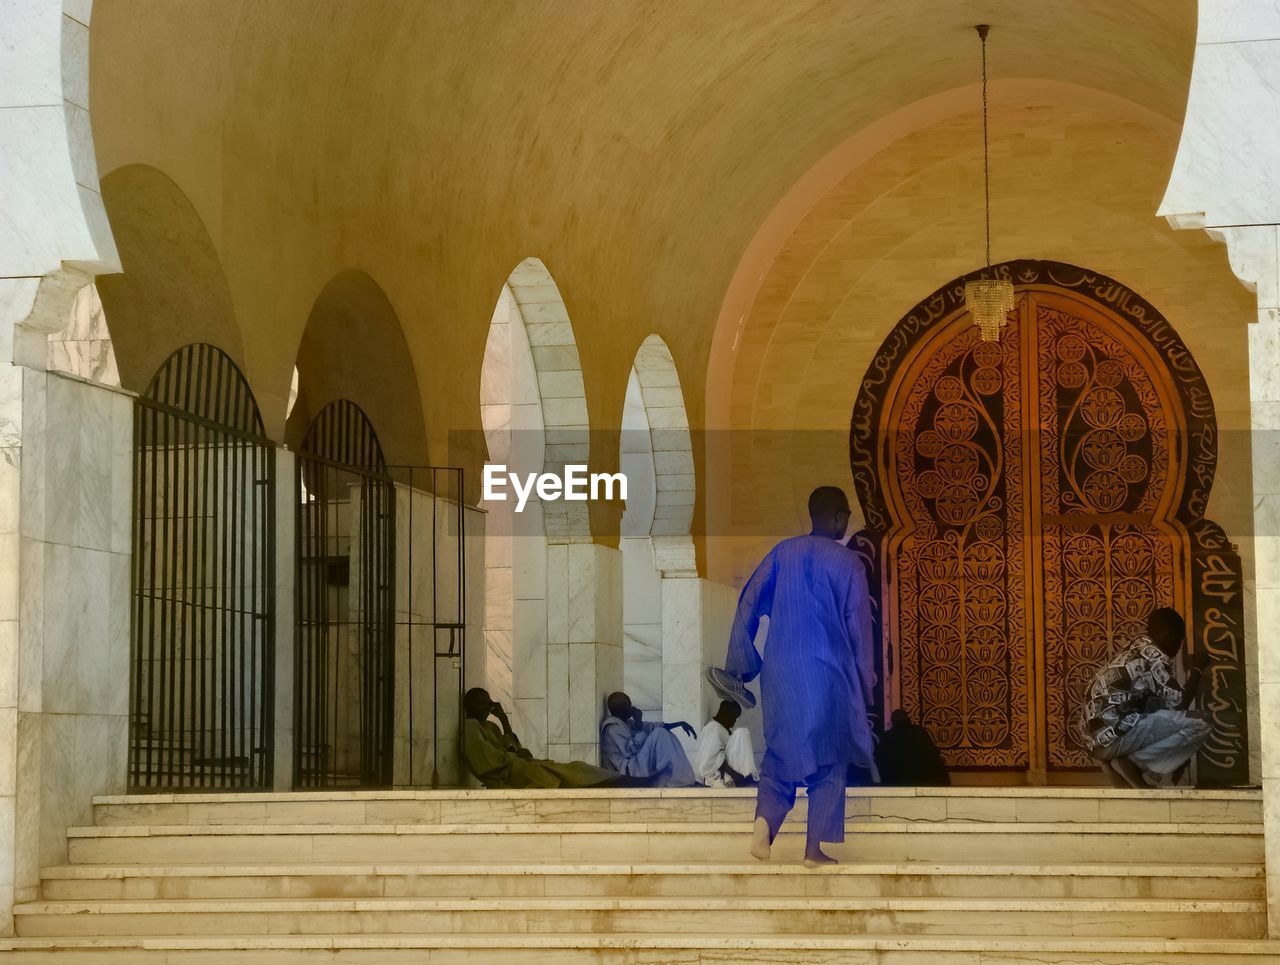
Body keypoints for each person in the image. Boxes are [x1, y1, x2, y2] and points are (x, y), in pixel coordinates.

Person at [724, 485, 876, 868]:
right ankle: (813, 850)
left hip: (781, 671)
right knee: (830, 759)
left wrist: (744, 664)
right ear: (840, 518)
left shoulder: (782, 554)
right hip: (829, 673)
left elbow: (748, 603)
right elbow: (859, 629)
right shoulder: (848, 564)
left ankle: (764, 826)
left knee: (781, 752)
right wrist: (865, 682)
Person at [1079, 608, 1212, 788]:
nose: (1179, 647)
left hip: (1093, 743)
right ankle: (1137, 765)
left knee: (1156, 712)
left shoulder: (1136, 647)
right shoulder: (1154, 656)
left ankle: (1123, 769)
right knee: (1200, 723)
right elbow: (1179, 703)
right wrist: (1197, 670)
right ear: (1167, 634)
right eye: (1179, 639)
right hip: (1114, 737)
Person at [463, 687, 619, 788]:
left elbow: (513, 746)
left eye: (488, 703)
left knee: (577, 767)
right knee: (561, 775)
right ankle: (612, 781)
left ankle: (614, 778)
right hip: (509, 776)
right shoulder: (470, 727)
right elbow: (490, 761)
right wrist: (515, 754)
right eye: (481, 703)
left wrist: (503, 719)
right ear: (469, 705)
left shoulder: (491, 726)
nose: (486, 707)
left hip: (520, 767)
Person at [600, 692, 697, 787]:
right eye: (628, 705)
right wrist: (638, 725)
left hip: (636, 765)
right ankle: (677, 779)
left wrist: (679, 724)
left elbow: (651, 727)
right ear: (620, 709)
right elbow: (632, 751)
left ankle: (680, 777)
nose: (631, 707)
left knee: (667, 734)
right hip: (628, 770)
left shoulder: (626, 723)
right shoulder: (612, 728)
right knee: (660, 734)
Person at [875, 709, 950, 787]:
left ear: (893, 721)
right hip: (922, 780)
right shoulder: (919, 732)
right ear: (908, 718)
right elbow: (933, 753)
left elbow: (879, 757)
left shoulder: (888, 736)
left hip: (896, 782)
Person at [693, 699, 759, 787]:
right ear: (727, 715)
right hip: (719, 776)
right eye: (734, 717)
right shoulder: (713, 727)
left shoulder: (723, 730)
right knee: (742, 732)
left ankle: (747, 775)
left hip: (733, 774)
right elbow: (709, 760)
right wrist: (736, 776)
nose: (734, 721)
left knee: (742, 732)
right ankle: (744, 778)